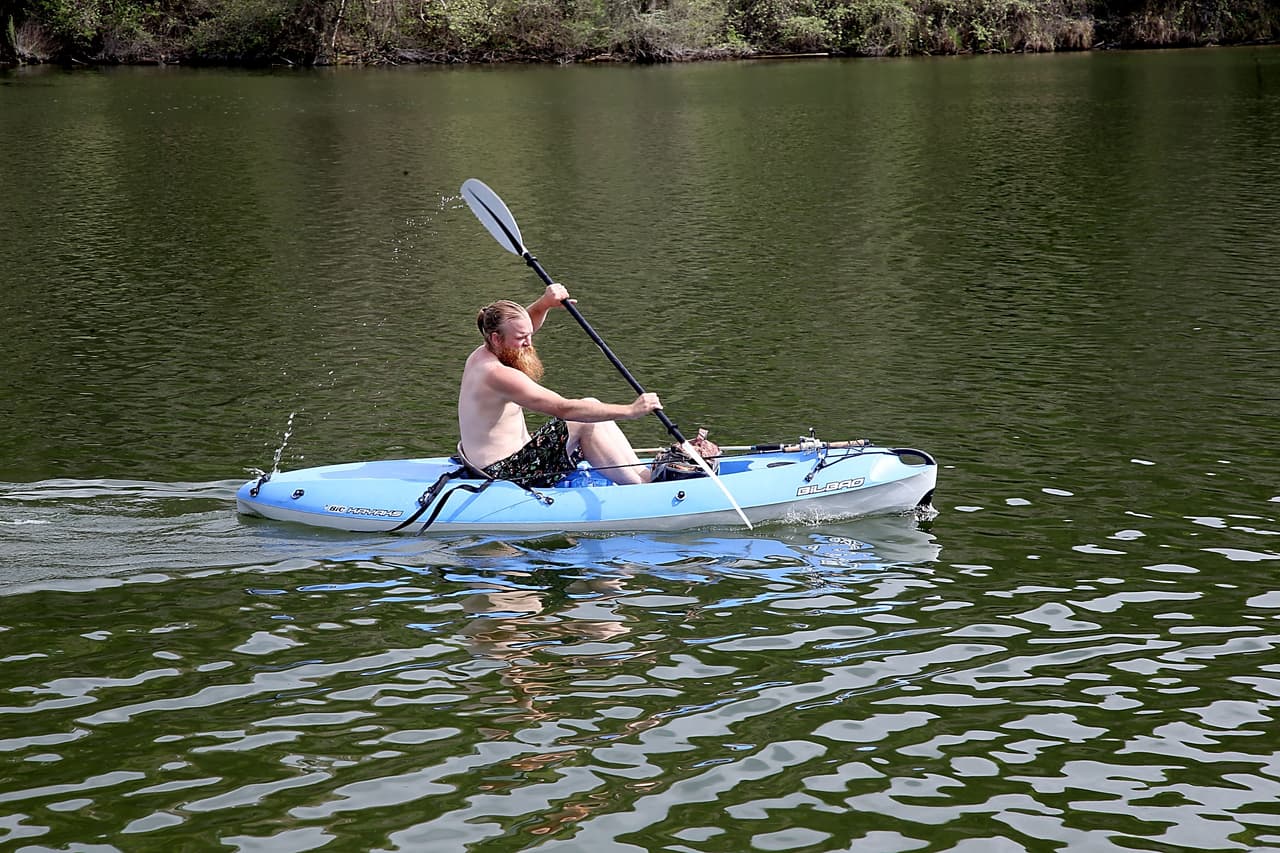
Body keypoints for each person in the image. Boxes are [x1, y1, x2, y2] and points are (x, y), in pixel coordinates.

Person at [458, 283, 662, 487]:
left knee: (591, 403)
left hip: (511, 459)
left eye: (530, 335)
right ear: (496, 338)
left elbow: (522, 325)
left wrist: (545, 304)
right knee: (582, 421)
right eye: (522, 338)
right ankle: (639, 487)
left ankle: (642, 474)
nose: (529, 343)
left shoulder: (485, 352)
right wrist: (630, 410)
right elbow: (563, 409)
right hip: (503, 472)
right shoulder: (497, 374)